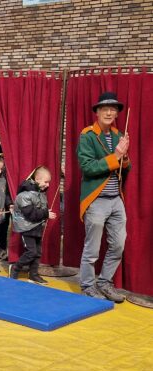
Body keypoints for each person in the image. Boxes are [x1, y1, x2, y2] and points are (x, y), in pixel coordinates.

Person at [77, 92, 131, 302]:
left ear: (117, 113)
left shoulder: (119, 135)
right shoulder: (87, 135)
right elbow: (87, 167)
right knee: (92, 248)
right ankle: (88, 286)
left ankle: (104, 282)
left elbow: (126, 168)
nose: (109, 112)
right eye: (104, 108)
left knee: (118, 244)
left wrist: (124, 157)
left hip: (116, 200)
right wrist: (116, 156)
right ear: (97, 112)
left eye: (113, 109)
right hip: (96, 200)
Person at [9, 166, 57, 284]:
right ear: (37, 179)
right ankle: (15, 268)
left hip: (37, 226)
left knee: (38, 253)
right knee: (31, 252)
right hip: (27, 227)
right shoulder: (24, 195)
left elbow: (39, 209)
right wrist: (46, 213)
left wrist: (45, 212)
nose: (48, 185)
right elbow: (30, 214)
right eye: (46, 182)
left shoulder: (40, 193)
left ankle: (33, 275)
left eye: (48, 182)